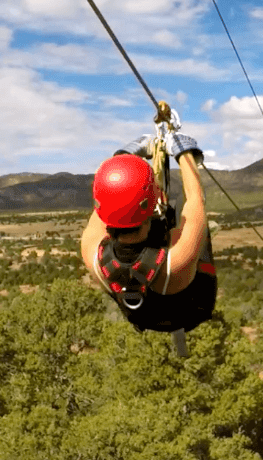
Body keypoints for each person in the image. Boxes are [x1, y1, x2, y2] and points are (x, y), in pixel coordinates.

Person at [80, 132, 216, 333]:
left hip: (143, 318)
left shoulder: (90, 251)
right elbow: (196, 198)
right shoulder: (176, 260)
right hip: (190, 314)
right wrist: (184, 153)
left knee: (182, 225)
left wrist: (123, 156)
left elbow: (109, 200)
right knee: (195, 226)